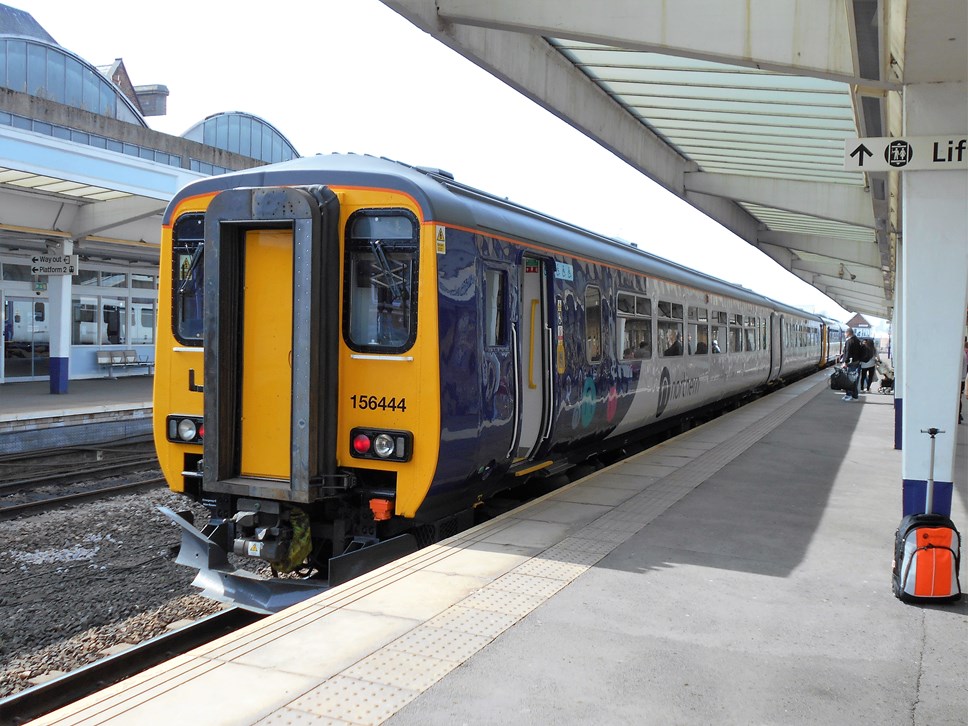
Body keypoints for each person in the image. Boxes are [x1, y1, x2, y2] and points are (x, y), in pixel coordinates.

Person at [840, 327, 864, 401]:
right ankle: (854, 396)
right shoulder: (858, 340)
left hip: (851, 363)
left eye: (845, 333)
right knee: (854, 379)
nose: (844, 334)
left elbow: (847, 353)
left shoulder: (849, 341)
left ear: (848, 333)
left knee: (849, 380)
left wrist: (845, 362)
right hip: (857, 362)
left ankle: (849, 395)